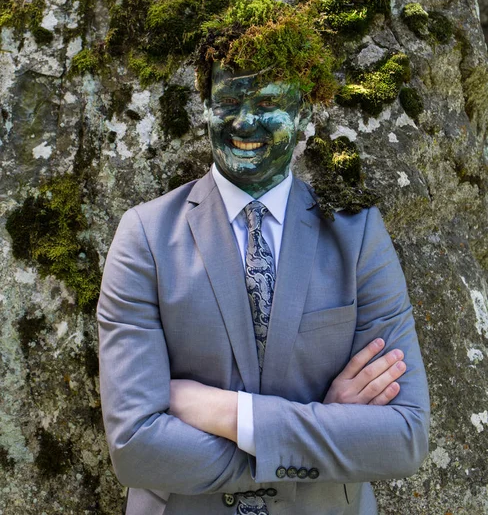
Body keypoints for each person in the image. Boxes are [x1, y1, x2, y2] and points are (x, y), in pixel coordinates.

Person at [97, 62, 430, 515]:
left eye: (268, 103)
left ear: (304, 113)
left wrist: (230, 415)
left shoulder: (358, 236)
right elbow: (136, 448)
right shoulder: (145, 237)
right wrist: (326, 425)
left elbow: (403, 437)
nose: (244, 122)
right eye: (228, 102)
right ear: (207, 109)